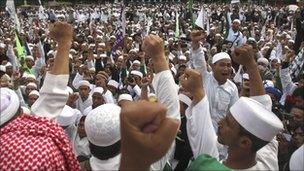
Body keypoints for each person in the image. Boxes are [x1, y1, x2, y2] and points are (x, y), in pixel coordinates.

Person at [0, 22, 80, 170]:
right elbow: (52, 96)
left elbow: (51, 98)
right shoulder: (30, 148)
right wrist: (64, 41)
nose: (27, 118)